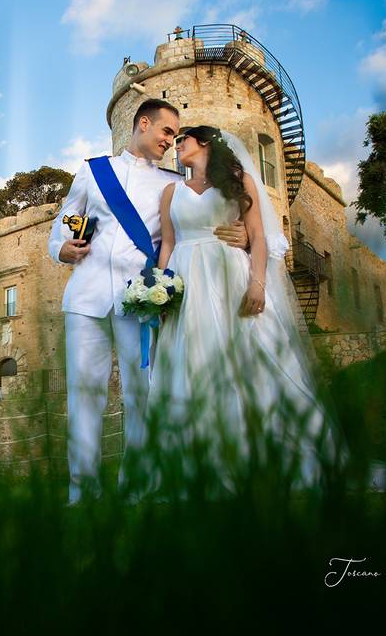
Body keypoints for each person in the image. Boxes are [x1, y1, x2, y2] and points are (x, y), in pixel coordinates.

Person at [48, 100, 250, 505]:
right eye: (166, 132)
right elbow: (64, 222)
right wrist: (60, 249)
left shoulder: (172, 183)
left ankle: (138, 486)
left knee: (143, 394)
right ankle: (82, 491)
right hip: (85, 297)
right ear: (144, 124)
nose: (170, 142)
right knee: (84, 394)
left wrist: (243, 237)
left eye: (175, 136)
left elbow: (210, 221)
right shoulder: (93, 170)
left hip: (139, 299)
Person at [143, 125, 340, 498]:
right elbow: (167, 244)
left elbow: (259, 236)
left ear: (203, 143)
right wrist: (161, 290)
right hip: (187, 279)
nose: (176, 145)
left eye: (182, 140)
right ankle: (198, 464)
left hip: (230, 275)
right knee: (191, 361)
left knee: (252, 356)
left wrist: (258, 282)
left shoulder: (239, 181)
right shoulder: (171, 192)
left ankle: (266, 455)